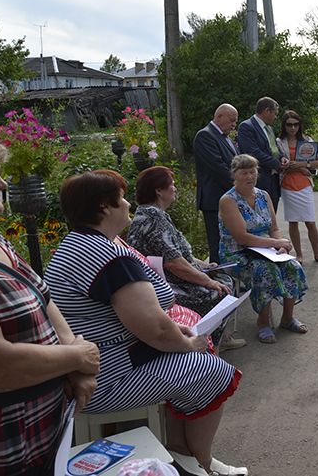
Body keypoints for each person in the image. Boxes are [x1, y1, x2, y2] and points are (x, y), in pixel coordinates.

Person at [44, 170, 246, 476]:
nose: (128, 204)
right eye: (121, 198)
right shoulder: (108, 258)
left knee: (188, 360)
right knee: (213, 371)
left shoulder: (76, 245)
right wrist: (187, 342)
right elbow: (155, 330)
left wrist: (175, 337)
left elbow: (142, 319)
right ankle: (202, 462)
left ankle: (184, 455)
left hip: (92, 365)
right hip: (105, 376)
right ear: (104, 206)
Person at [0, 130, 99, 475]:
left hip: (42, 433)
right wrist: (77, 356)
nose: (4, 184)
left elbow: (45, 302)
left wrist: (76, 370)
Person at [127, 166, 245, 353]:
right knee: (218, 292)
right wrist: (208, 280)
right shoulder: (153, 219)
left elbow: (179, 254)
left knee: (223, 281)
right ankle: (208, 348)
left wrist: (205, 266)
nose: (175, 189)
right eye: (172, 185)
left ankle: (220, 339)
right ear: (159, 190)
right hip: (165, 287)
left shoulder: (152, 215)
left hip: (169, 280)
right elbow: (174, 263)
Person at [219, 154, 309, 344]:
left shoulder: (263, 195)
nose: (250, 177)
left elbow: (274, 229)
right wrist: (276, 243)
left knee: (293, 265)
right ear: (234, 175)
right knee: (264, 270)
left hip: (266, 250)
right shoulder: (228, 200)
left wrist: (282, 246)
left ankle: (287, 318)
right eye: (244, 173)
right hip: (238, 253)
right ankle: (263, 322)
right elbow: (242, 238)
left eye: (253, 172)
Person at [275, 110, 318, 265]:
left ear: (299, 125)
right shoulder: (279, 142)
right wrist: (299, 168)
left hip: (304, 185)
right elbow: (279, 167)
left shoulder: (307, 140)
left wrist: (303, 165)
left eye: (296, 124)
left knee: (310, 221)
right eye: (289, 125)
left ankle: (317, 254)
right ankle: (299, 255)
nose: (293, 128)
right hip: (287, 185)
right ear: (284, 126)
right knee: (293, 221)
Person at [195, 103, 239, 263]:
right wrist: (241, 187)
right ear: (219, 116)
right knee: (218, 244)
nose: (234, 125)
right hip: (215, 200)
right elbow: (218, 168)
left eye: (235, 121)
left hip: (228, 197)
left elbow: (237, 164)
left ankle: (232, 278)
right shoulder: (205, 136)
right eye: (232, 120)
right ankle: (220, 281)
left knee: (230, 242)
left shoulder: (225, 137)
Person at [237, 97, 287, 215]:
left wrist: (282, 158)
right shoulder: (247, 126)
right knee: (259, 219)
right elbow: (254, 153)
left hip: (273, 182)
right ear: (267, 111)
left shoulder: (269, 128)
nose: (276, 117)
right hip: (259, 181)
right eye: (275, 114)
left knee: (271, 219)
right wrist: (276, 164)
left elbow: (272, 149)